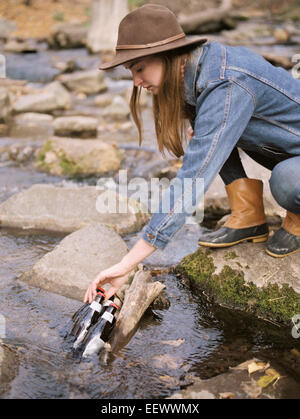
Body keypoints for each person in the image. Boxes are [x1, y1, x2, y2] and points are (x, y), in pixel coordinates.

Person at [84, 4, 300, 304]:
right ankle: (248, 217)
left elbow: (192, 180)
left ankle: (297, 218)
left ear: (168, 55)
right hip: (287, 147)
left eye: (139, 68)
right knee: (205, 133)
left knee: (287, 181)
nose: (136, 82)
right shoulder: (198, 69)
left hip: (292, 162)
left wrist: (126, 264)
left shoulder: (225, 81)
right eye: (131, 72)